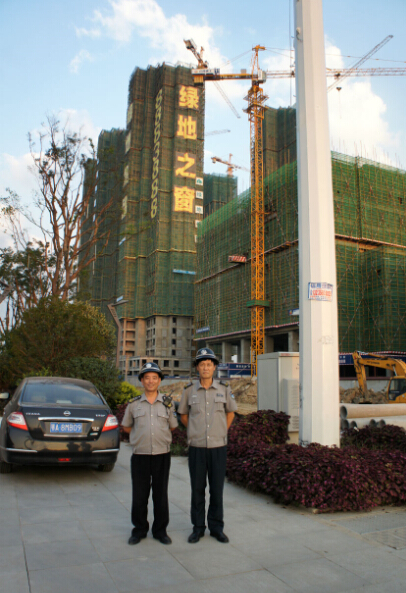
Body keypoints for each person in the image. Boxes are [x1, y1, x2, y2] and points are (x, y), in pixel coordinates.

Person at [178, 348, 238, 544]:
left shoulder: (224, 389)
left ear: (214, 368)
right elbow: (183, 415)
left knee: (216, 490)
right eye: (202, 364)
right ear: (197, 367)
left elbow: (231, 413)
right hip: (197, 447)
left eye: (209, 364)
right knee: (197, 490)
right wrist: (195, 430)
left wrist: (221, 431)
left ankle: (216, 528)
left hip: (218, 447)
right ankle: (198, 528)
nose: (205, 367)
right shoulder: (189, 391)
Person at [122, 362, 177, 545]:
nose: (151, 381)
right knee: (140, 495)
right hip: (140, 456)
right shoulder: (133, 404)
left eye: (154, 378)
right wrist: (140, 436)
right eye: (147, 378)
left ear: (159, 381)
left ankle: (160, 531)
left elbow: (172, 426)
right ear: (142, 381)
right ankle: (139, 530)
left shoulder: (167, 404)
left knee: (160, 495)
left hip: (162, 455)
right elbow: (127, 427)